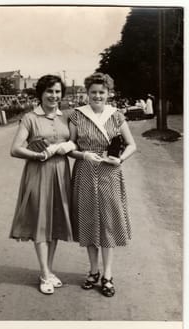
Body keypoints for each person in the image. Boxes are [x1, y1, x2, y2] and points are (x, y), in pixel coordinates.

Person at [69, 72, 136, 297]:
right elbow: (70, 146)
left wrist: (121, 158)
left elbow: (131, 145)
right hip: (85, 170)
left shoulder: (116, 116)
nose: (97, 96)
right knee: (88, 220)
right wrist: (83, 155)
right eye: (93, 92)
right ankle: (93, 270)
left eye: (102, 92)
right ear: (86, 94)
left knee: (107, 222)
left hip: (109, 172)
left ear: (108, 93)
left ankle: (107, 275)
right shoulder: (77, 116)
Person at [10, 75, 76, 295]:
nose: (54, 96)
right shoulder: (30, 118)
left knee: (55, 221)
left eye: (57, 92)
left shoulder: (65, 117)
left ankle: (48, 270)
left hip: (61, 173)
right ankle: (45, 273)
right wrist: (38, 155)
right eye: (49, 91)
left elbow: (75, 140)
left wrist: (68, 145)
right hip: (39, 172)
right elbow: (16, 149)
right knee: (41, 221)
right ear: (41, 93)